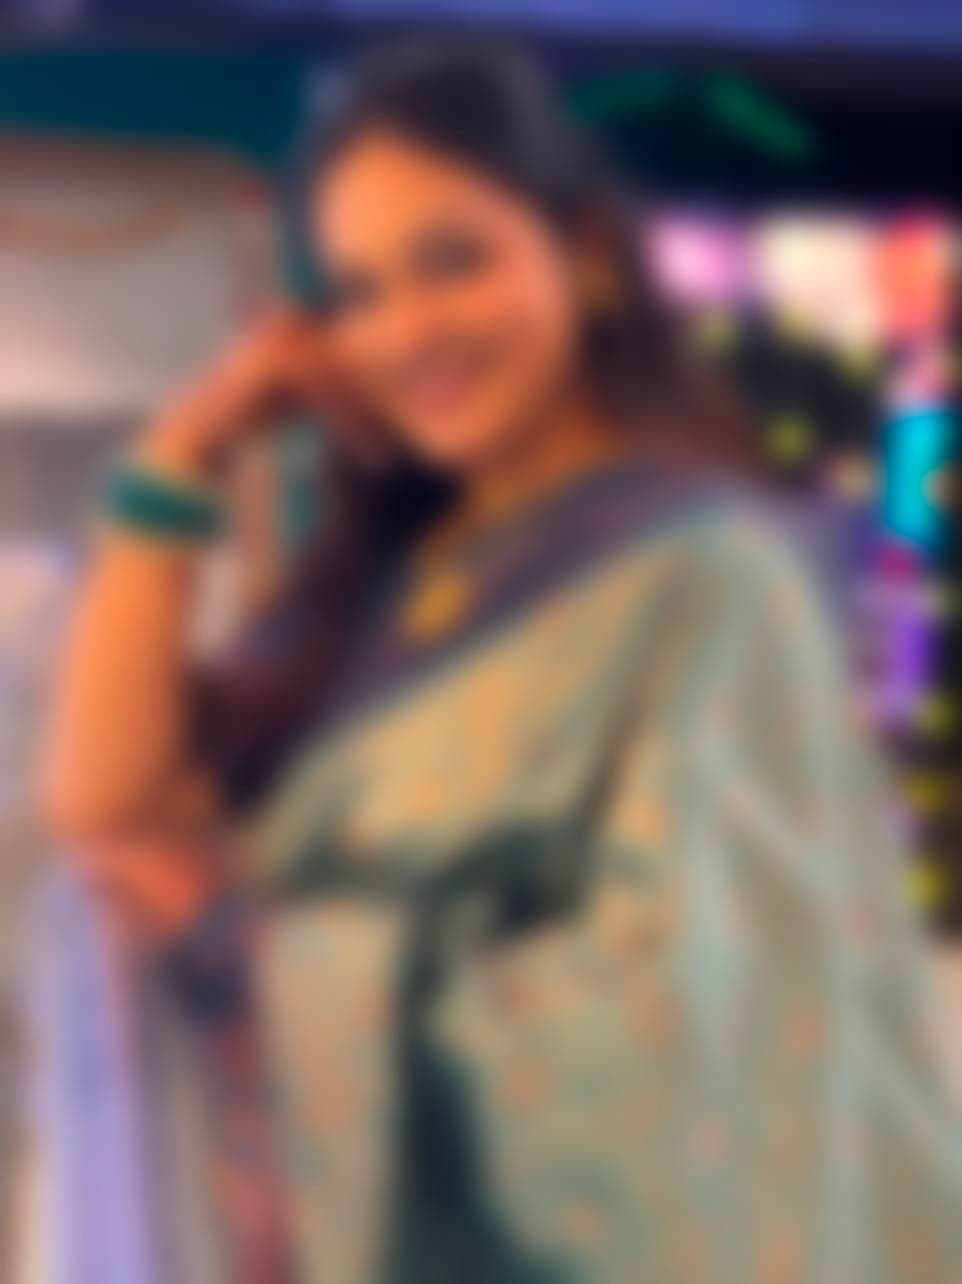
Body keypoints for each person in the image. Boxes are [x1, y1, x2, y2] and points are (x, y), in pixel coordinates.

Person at [41, 37, 962, 1284]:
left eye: (453, 261)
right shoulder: (391, 576)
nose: (407, 330)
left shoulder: (707, 579)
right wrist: (185, 448)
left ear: (584, 256)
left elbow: (701, 1042)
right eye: (359, 293)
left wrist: (256, 953)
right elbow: (104, 805)